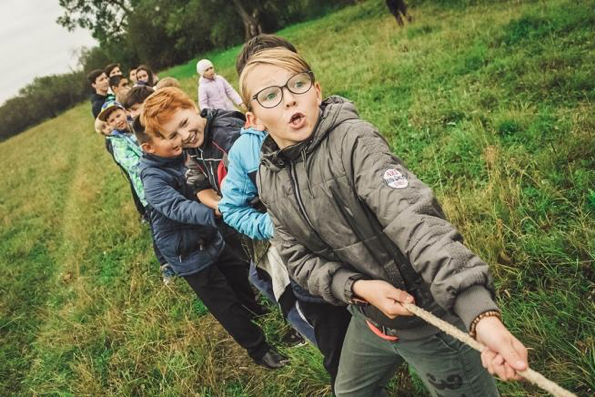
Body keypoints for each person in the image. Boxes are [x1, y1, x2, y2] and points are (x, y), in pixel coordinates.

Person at [239, 47, 529, 396]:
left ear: (316, 91)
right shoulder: (269, 179)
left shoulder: (355, 142)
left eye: (297, 84)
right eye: (270, 95)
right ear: (253, 119)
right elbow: (297, 260)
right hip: (368, 319)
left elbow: (413, 219)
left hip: (429, 323)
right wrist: (358, 288)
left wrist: (479, 314)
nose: (288, 100)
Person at [219, 34, 352, 390]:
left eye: (292, 78)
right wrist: (276, 226)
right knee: (338, 351)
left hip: (359, 252)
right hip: (310, 271)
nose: (286, 96)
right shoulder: (247, 151)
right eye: (268, 89)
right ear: (253, 103)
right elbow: (230, 208)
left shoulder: (338, 126)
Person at [135, 105, 288, 369]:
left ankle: (256, 311)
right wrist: (219, 210)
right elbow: (176, 207)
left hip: (211, 236)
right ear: (149, 147)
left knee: (240, 277)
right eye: (168, 137)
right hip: (188, 252)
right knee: (224, 303)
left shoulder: (185, 153)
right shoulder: (152, 177)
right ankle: (259, 349)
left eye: (176, 133)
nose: (178, 140)